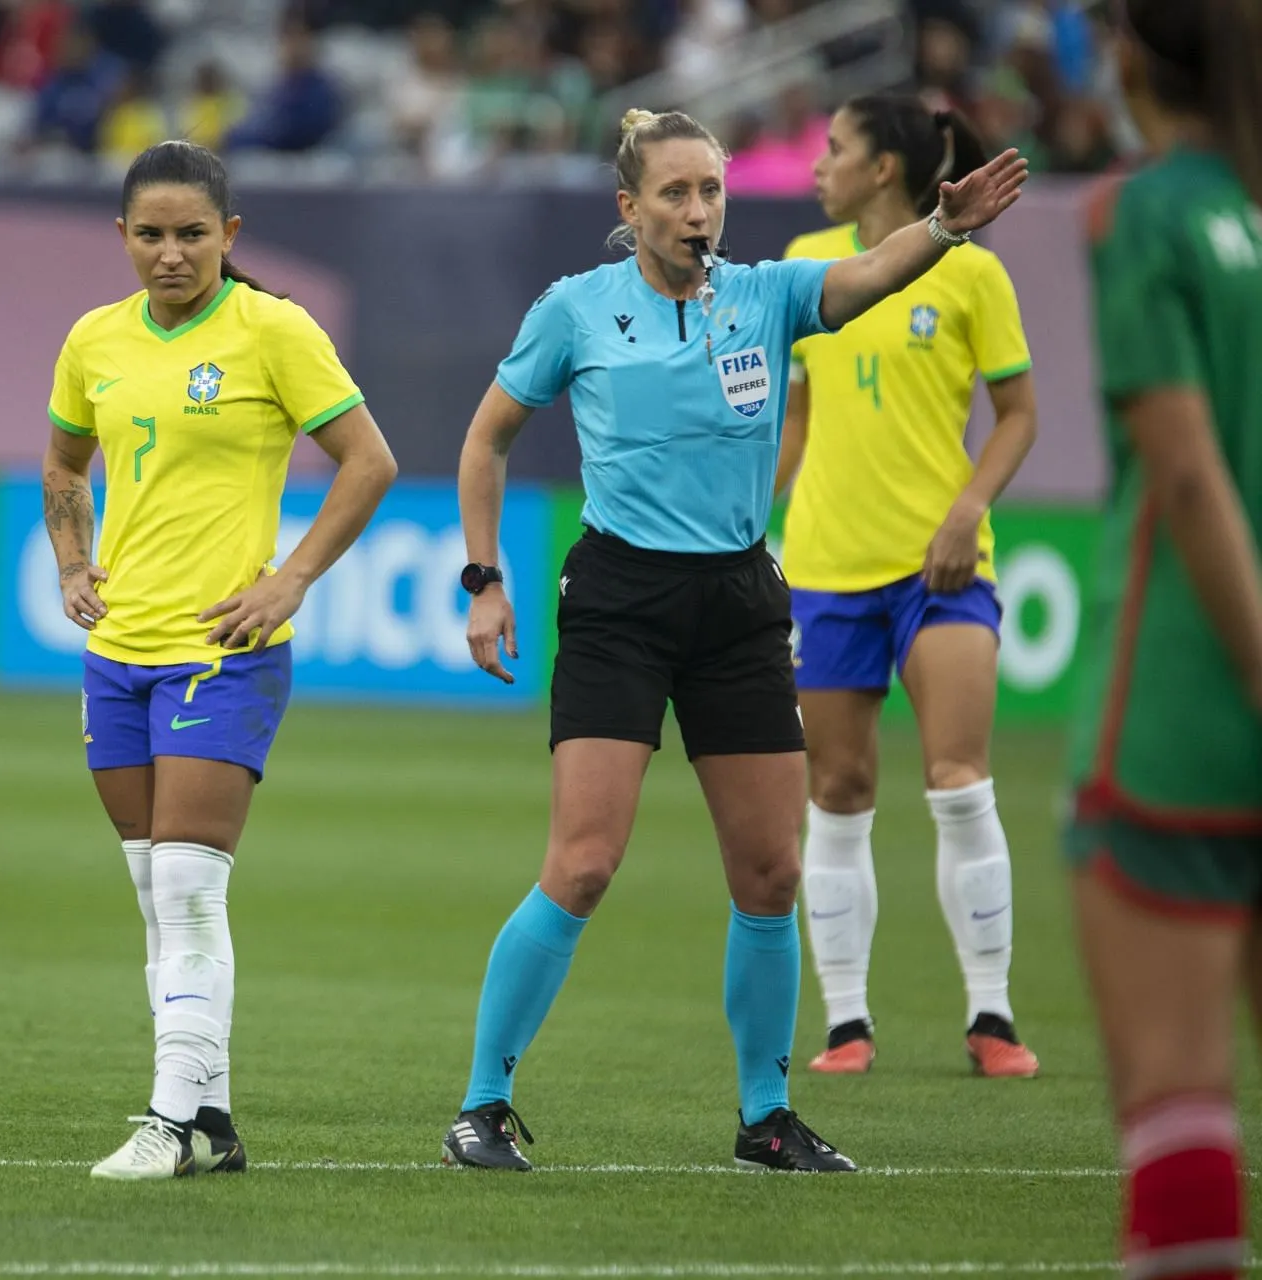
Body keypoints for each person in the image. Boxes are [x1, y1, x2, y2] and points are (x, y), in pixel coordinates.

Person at [443, 107, 1027, 1173]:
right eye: (675, 193)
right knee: (582, 863)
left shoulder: (767, 295)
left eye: (710, 191)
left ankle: (767, 1114)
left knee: (770, 870)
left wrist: (940, 232)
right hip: (620, 599)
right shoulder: (576, 308)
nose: (698, 210)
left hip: (742, 602)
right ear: (630, 208)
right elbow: (485, 438)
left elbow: (873, 276)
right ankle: (483, 1101)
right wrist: (485, 579)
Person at [45, 140, 397, 1181]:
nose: (170, 254)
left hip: (223, 650)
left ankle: (166, 1117)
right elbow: (67, 461)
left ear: (229, 237)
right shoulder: (92, 340)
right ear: (122, 237)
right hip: (118, 655)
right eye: (149, 235)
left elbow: (369, 460)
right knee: (159, 895)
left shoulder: (273, 331)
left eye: (192, 234)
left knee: (193, 890)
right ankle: (213, 1119)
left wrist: (290, 580)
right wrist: (73, 557)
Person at [773, 94, 1041, 1078]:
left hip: (942, 565)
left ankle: (993, 1015)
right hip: (826, 569)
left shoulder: (973, 272)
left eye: (835, 148)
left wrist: (968, 509)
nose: (818, 164)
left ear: (886, 167)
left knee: (960, 781)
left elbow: (1018, 413)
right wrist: (743, 516)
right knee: (837, 794)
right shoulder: (806, 262)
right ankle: (848, 1022)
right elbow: (795, 425)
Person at [1062, 0, 1262, 1270]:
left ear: (1128, 57)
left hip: (1186, 706)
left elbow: (1186, 477)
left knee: (1179, 1121)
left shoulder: (1147, 212)